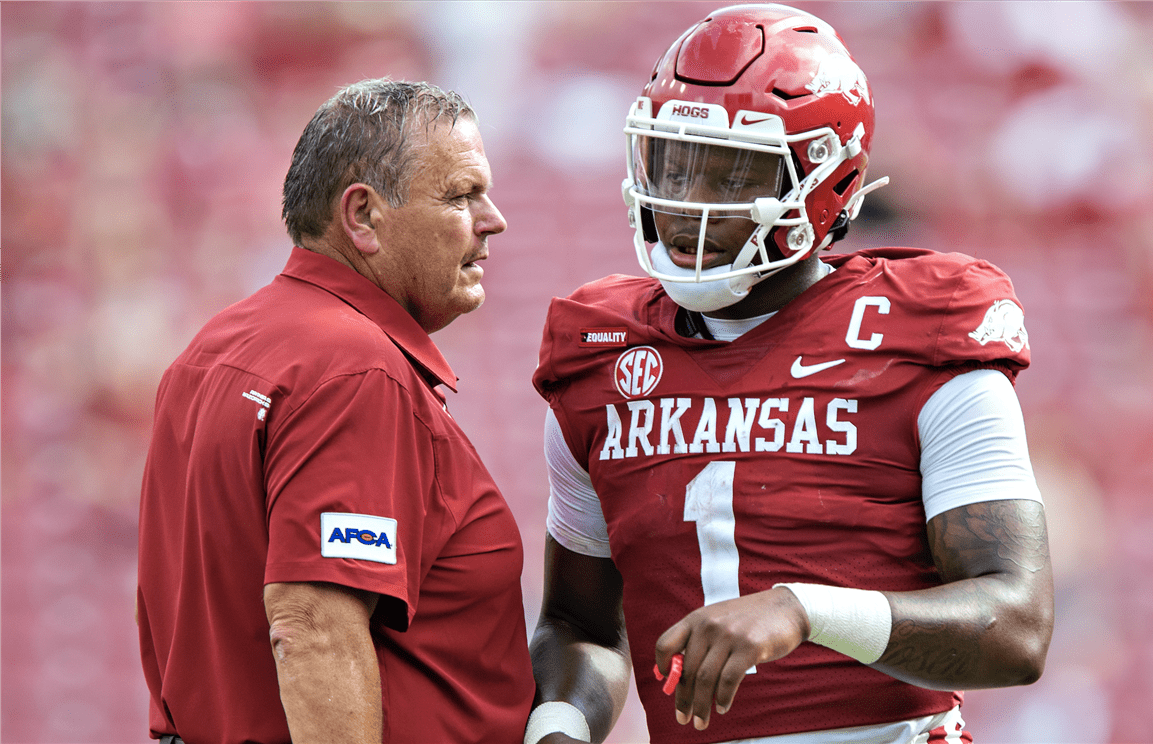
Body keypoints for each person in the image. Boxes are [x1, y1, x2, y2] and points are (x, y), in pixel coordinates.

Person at [526, 5, 1053, 744]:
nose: (685, 205)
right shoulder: (601, 357)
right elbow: (579, 625)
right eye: (672, 162)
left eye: (729, 173)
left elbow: (1017, 627)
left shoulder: (923, 335)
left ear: (824, 182)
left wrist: (806, 610)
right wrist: (559, 729)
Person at [137, 78, 535, 744]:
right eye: (462, 195)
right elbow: (314, 627)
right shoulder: (356, 368)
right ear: (363, 217)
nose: (492, 219)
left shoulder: (214, 347)